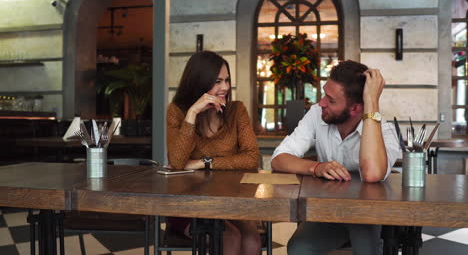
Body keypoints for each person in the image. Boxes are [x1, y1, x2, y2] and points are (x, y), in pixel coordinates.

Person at [271, 60, 400, 255]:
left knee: (367, 250)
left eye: (330, 100)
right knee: (298, 249)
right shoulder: (317, 114)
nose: (321, 102)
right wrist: (317, 167)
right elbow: (279, 158)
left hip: (366, 215)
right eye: (324, 94)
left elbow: (372, 174)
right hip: (328, 212)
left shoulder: (385, 132)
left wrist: (372, 101)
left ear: (356, 109)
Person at [166, 51, 262, 255]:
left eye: (227, 80)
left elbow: (252, 158)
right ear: (199, 82)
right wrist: (192, 113)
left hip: (231, 199)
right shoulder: (178, 111)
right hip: (190, 201)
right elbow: (176, 162)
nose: (225, 87)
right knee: (230, 237)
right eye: (218, 81)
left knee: (252, 240)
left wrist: (203, 162)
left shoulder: (236, 111)